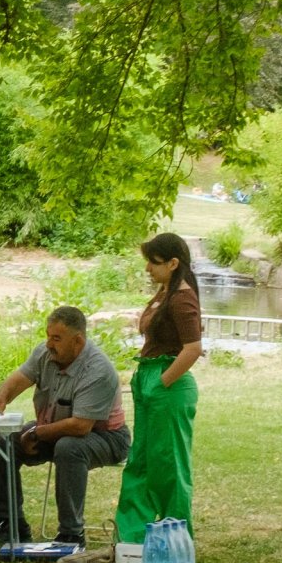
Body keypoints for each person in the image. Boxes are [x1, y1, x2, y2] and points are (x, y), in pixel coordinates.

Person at [0, 305, 129, 546]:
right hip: (53, 430)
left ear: (78, 341)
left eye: (57, 338)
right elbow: (19, 379)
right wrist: (2, 396)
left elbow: (81, 426)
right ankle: (7, 523)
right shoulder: (45, 353)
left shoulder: (98, 370)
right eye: (48, 336)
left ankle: (71, 533)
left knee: (69, 447)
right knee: (1, 443)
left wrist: (36, 433)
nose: (49, 343)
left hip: (106, 437)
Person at [114, 232, 204, 542]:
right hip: (148, 379)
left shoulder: (182, 297)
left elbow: (193, 349)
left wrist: (163, 382)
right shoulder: (165, 293)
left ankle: (174, 540)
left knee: (169, 467)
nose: (148, 269)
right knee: (140, 461)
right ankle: (132, 540)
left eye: (153, 262)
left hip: (169, 387)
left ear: (173, 263)